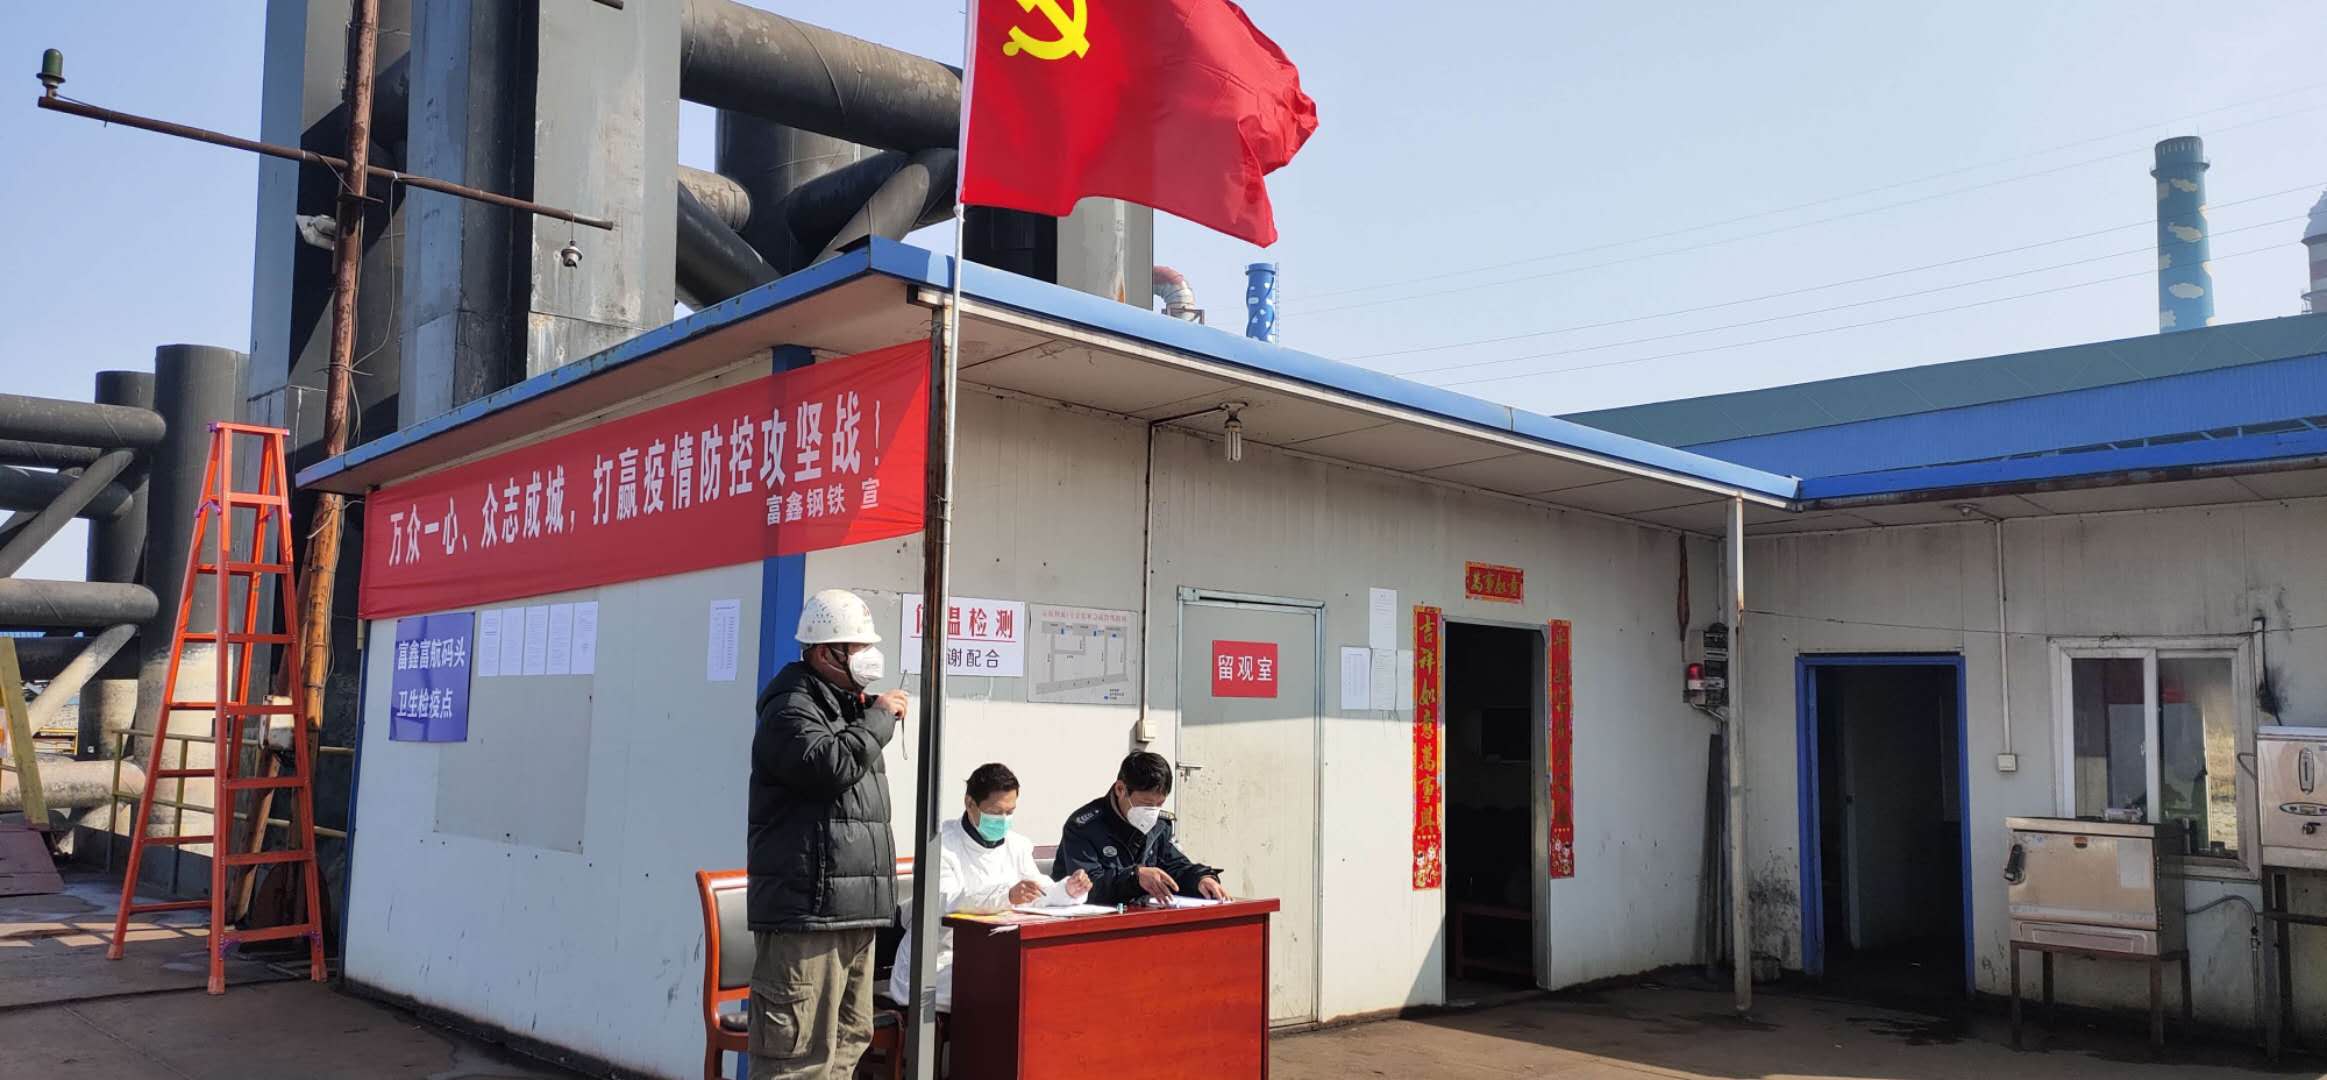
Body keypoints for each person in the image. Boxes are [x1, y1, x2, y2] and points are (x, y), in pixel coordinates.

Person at [749, 589, 908, 1079]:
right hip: (808, 913)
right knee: (796, 1056)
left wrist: (868, 715)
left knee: (848, 1041)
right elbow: (828, 766)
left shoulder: (846, 708)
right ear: (824, 652)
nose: (868, 656)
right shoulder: (790, 707)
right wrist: (878, 719)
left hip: (853, 911)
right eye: (857, 647)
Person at [888, 763, 1093, 1012]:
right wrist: (1006, 896)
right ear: (970, 803)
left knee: (1044, 978)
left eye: (1010, 812)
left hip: (995, 955)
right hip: (937, 962)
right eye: (995, 812)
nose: (1003, 820)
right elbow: (945, 900)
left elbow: (1037, 892)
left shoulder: (1016, 845)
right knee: (1007, 987)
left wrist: (1068, 890)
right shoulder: (939, 845)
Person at [1053, 751, 1230, 904]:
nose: (1152, 812)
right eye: (1146, 804)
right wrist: (1135, 877)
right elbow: (1087, 887)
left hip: (1144, 914)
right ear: (1120, 789)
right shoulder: (1084, 826)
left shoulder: (1160, 825)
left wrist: (1200, 879)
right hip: (1091, 920)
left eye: (1159, 804)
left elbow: (1175, 866)